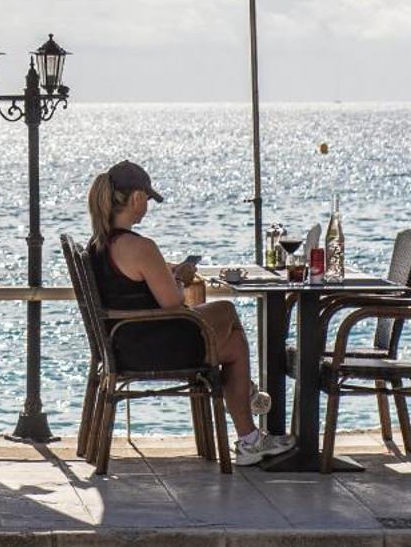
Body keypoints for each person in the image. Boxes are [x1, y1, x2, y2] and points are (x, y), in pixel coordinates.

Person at [85, 160, 292, 467]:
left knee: (234, 346)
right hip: (150, 348)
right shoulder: (140, 247)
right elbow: (172, 303)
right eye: (148, 201)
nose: (147, 208)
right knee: (226, 309)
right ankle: (245, 395)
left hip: (123, 345)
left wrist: (169, 272)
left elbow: (131, 286)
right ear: (137, 198)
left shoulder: (98, 245)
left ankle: (250, 439)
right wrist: (179, 279)